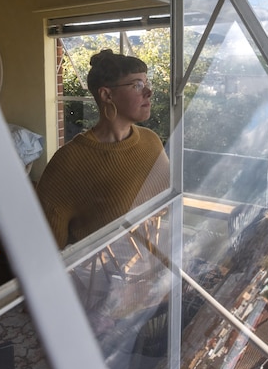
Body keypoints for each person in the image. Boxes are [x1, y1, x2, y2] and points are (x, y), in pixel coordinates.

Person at [37, 49, 170, 249]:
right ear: (107, 94)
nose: (148, 92)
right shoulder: (69, 162)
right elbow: (47, 250)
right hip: (103, 278)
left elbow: (165, 205)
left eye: (146, 83)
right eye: (137, 85)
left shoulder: (151, 142)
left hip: (156, 267)